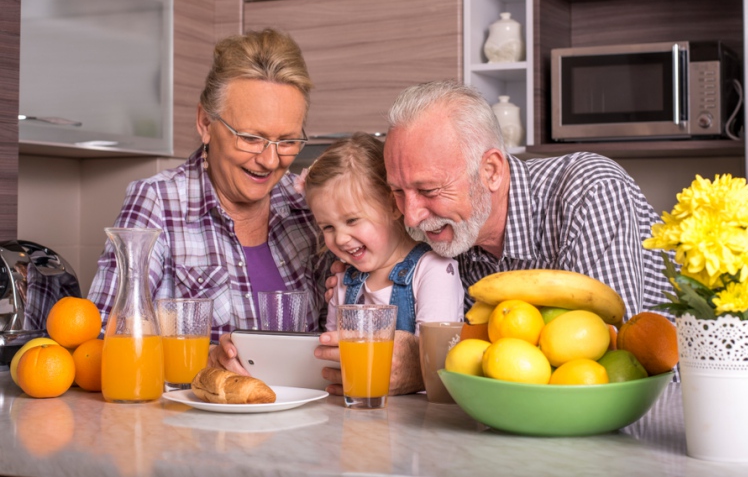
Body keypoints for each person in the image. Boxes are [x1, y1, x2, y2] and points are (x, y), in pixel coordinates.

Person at [314, 79, 672, 395]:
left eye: (429, 190)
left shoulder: (588, 191)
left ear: (491, 171)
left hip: (658, 417)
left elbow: (606, 362)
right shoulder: (442, 232)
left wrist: (425, 367)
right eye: (397, 191)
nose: (411, 216)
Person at [88, 28, 329, 373]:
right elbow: (102, 339)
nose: (270, 160)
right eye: (251, 138)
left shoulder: (309, 203)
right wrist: (203, 361)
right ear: (205, 123)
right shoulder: (158, 201)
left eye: (287, 142)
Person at [301, 133, 464, 337]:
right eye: (328, 227)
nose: (340, 238)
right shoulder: (343, 281)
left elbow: (433, 351)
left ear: (393, 206)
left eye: (352, 220)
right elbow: (332, 350)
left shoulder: (434, 271)